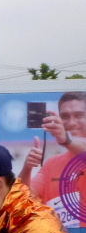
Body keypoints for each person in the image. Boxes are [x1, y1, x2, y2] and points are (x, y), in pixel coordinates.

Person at [18, 91, 86, 226]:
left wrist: (67, 140)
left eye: (79, 115)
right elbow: (23, 200)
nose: (72, 122)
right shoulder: (52, 164)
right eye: (65, 116)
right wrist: (27, 168)